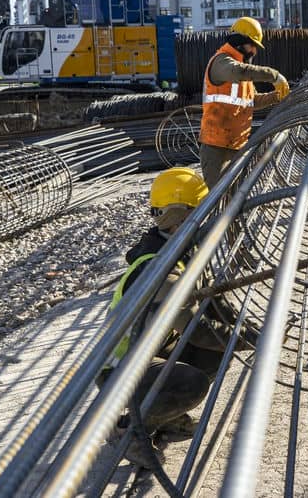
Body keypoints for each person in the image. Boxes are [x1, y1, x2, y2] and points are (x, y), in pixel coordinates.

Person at [102, 167, 247, 468]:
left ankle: (163, 417)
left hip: (149, 351)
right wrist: (249, 338)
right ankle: (130, 431)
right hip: (120, 369)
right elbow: (195, 327)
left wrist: (243, 326)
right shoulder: (159, 267)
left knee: (216, 353)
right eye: (200, 211)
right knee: (191, 382)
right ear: (181, 214)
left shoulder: (178, 250)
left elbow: (211, 301)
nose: (206, 219)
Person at [199, 17, 290, 187]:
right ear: (240, 42)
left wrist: (278, 96)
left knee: (235, 199)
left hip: (237, 145)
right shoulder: (222, 62)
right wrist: (274, 76)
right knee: (219, 201)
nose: (254, 51)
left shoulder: (243, 70)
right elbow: (237, 72)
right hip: (216, 146)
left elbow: (252, 100)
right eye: (252, 45)